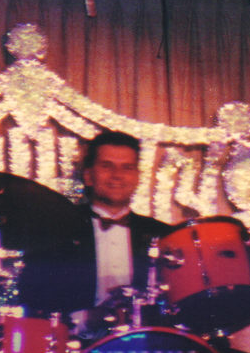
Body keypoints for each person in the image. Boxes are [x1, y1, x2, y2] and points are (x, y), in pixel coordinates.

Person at [18, 129, 173, 324]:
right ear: (89, 175)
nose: (117, 175)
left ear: (137, 178)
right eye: (107, 166)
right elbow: (33, 300)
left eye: (127, 168)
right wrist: (86, 319)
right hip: (75, 346)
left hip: (147, 348)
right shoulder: (54, 230)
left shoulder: (163, 234)